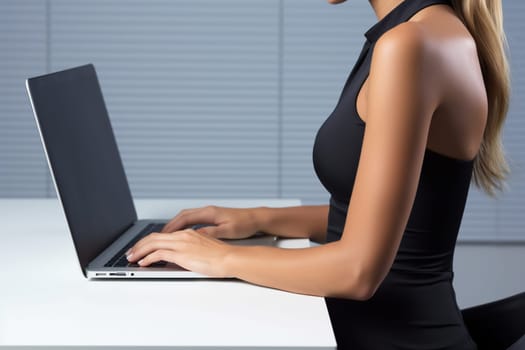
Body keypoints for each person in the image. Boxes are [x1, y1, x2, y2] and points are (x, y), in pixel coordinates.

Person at [126, 0, 510, 348]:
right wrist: (260, 219)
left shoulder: (411, 46)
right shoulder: (422, 33)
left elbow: (358, 271)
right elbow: (401, 223)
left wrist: (221, 259)